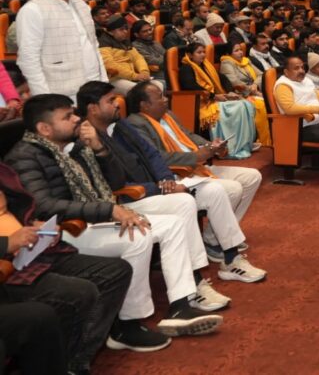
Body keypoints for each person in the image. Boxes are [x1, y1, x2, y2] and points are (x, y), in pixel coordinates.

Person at [5, 94, 222, 350]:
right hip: (64, 230)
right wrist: (109, 210)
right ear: (44, 128)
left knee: (176, 217)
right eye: (67, 117)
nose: (77, 119)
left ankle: (181, 304)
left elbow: (116, 183)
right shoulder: (25, 157)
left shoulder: (74, 145)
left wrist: (99, 149)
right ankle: (127, 326)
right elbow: (45, 207)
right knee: (137, 235)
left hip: (93, 215)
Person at [79, 82, 266, 287]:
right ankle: (194, 280)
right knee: (189, 200)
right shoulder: (92, 140)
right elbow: (117, 181)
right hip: (134, 197)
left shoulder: (122, 126)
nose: (117, 104)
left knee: (215, 190)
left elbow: (152, 155)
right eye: (111, 101)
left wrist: (168, 177)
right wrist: (162, 185)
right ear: (93, 108)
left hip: (162, 183)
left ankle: (230, 258)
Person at [0, 162, 132, 372]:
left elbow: (17, 208)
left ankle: (76, 360)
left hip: (30, 252)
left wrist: (34, 225)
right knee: (79, 293)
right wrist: (7, 244)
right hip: (8, 270)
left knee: (116, 271)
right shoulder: (23, 155)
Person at [120, 82, 264, 251]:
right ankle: (220, 241)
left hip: (197, 168)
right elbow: (157, 157)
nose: (166, 99)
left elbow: (189, 136)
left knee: (252, 177)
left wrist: (211, 146)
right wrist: (197, 156)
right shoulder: (135, 124)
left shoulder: (168, 115)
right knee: (232, 189)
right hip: (177, 175)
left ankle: (213, 237)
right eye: (160, 97)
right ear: (144, 105)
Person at [15, 0, 107, 98]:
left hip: (95, 86)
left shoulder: (81, 4)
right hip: (61, 93)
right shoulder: (32, 10)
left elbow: (94, 46)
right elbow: (28, 59)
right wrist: (44, 97)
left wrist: (103, 82)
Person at [178, 42, 258, 159]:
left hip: (214, 98)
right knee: (239, 107)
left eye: (204, 52)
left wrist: (230, 92)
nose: (203, 55)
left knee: (246, 104)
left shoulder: (206, 65)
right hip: (200, 102)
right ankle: (231, 146)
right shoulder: (186, 68)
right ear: (190, 55)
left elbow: (223, 78)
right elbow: (190, 86)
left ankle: (245, 142)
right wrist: (214, 96)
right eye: (199, 52)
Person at [273, 54, 319, 146]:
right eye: (296, 68)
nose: (301, 71)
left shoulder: (306, 81)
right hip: (301, 127)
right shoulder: (283, 85)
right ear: (286, 72)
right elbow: (289, 108)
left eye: (302, 67)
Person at [98, 15, 158, 95]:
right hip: (114, 79)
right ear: (111, 32)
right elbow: (110, 65)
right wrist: (134, 76)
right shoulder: (103, 43)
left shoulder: (125, 41)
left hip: (132, 77)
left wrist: (144, 71)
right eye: (121, 29)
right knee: (142, 91)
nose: (125, 31)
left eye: (126, 28)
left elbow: (138, 58)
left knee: (158, 85)